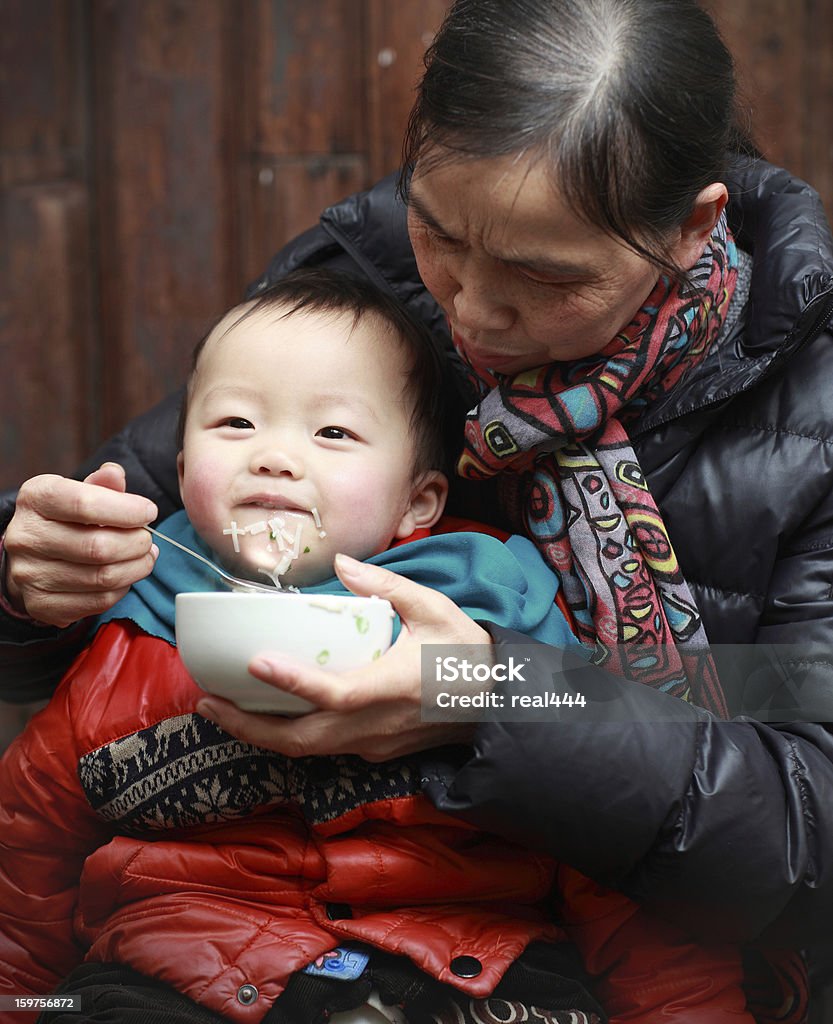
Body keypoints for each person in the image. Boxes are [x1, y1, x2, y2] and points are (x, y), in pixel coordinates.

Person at [0, 0, 831, 1019]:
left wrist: (501, 697)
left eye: (542, 276)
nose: (471, 313)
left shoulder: (809, 419)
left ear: (691, 225)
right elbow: (129, 583)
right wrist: (26, 578)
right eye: (439, 235)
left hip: (540, 954)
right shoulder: (364, 291)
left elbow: (806, 808)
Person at [0, 267, 757, 1024]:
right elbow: (28, 848)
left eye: (333, 432)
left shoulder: (494, 618)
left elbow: (604, 837)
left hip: (468, 969)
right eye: (235, 424)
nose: (273, 456)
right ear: (179, 470)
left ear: (417, 501)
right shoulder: (126, 628)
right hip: (173, 970)